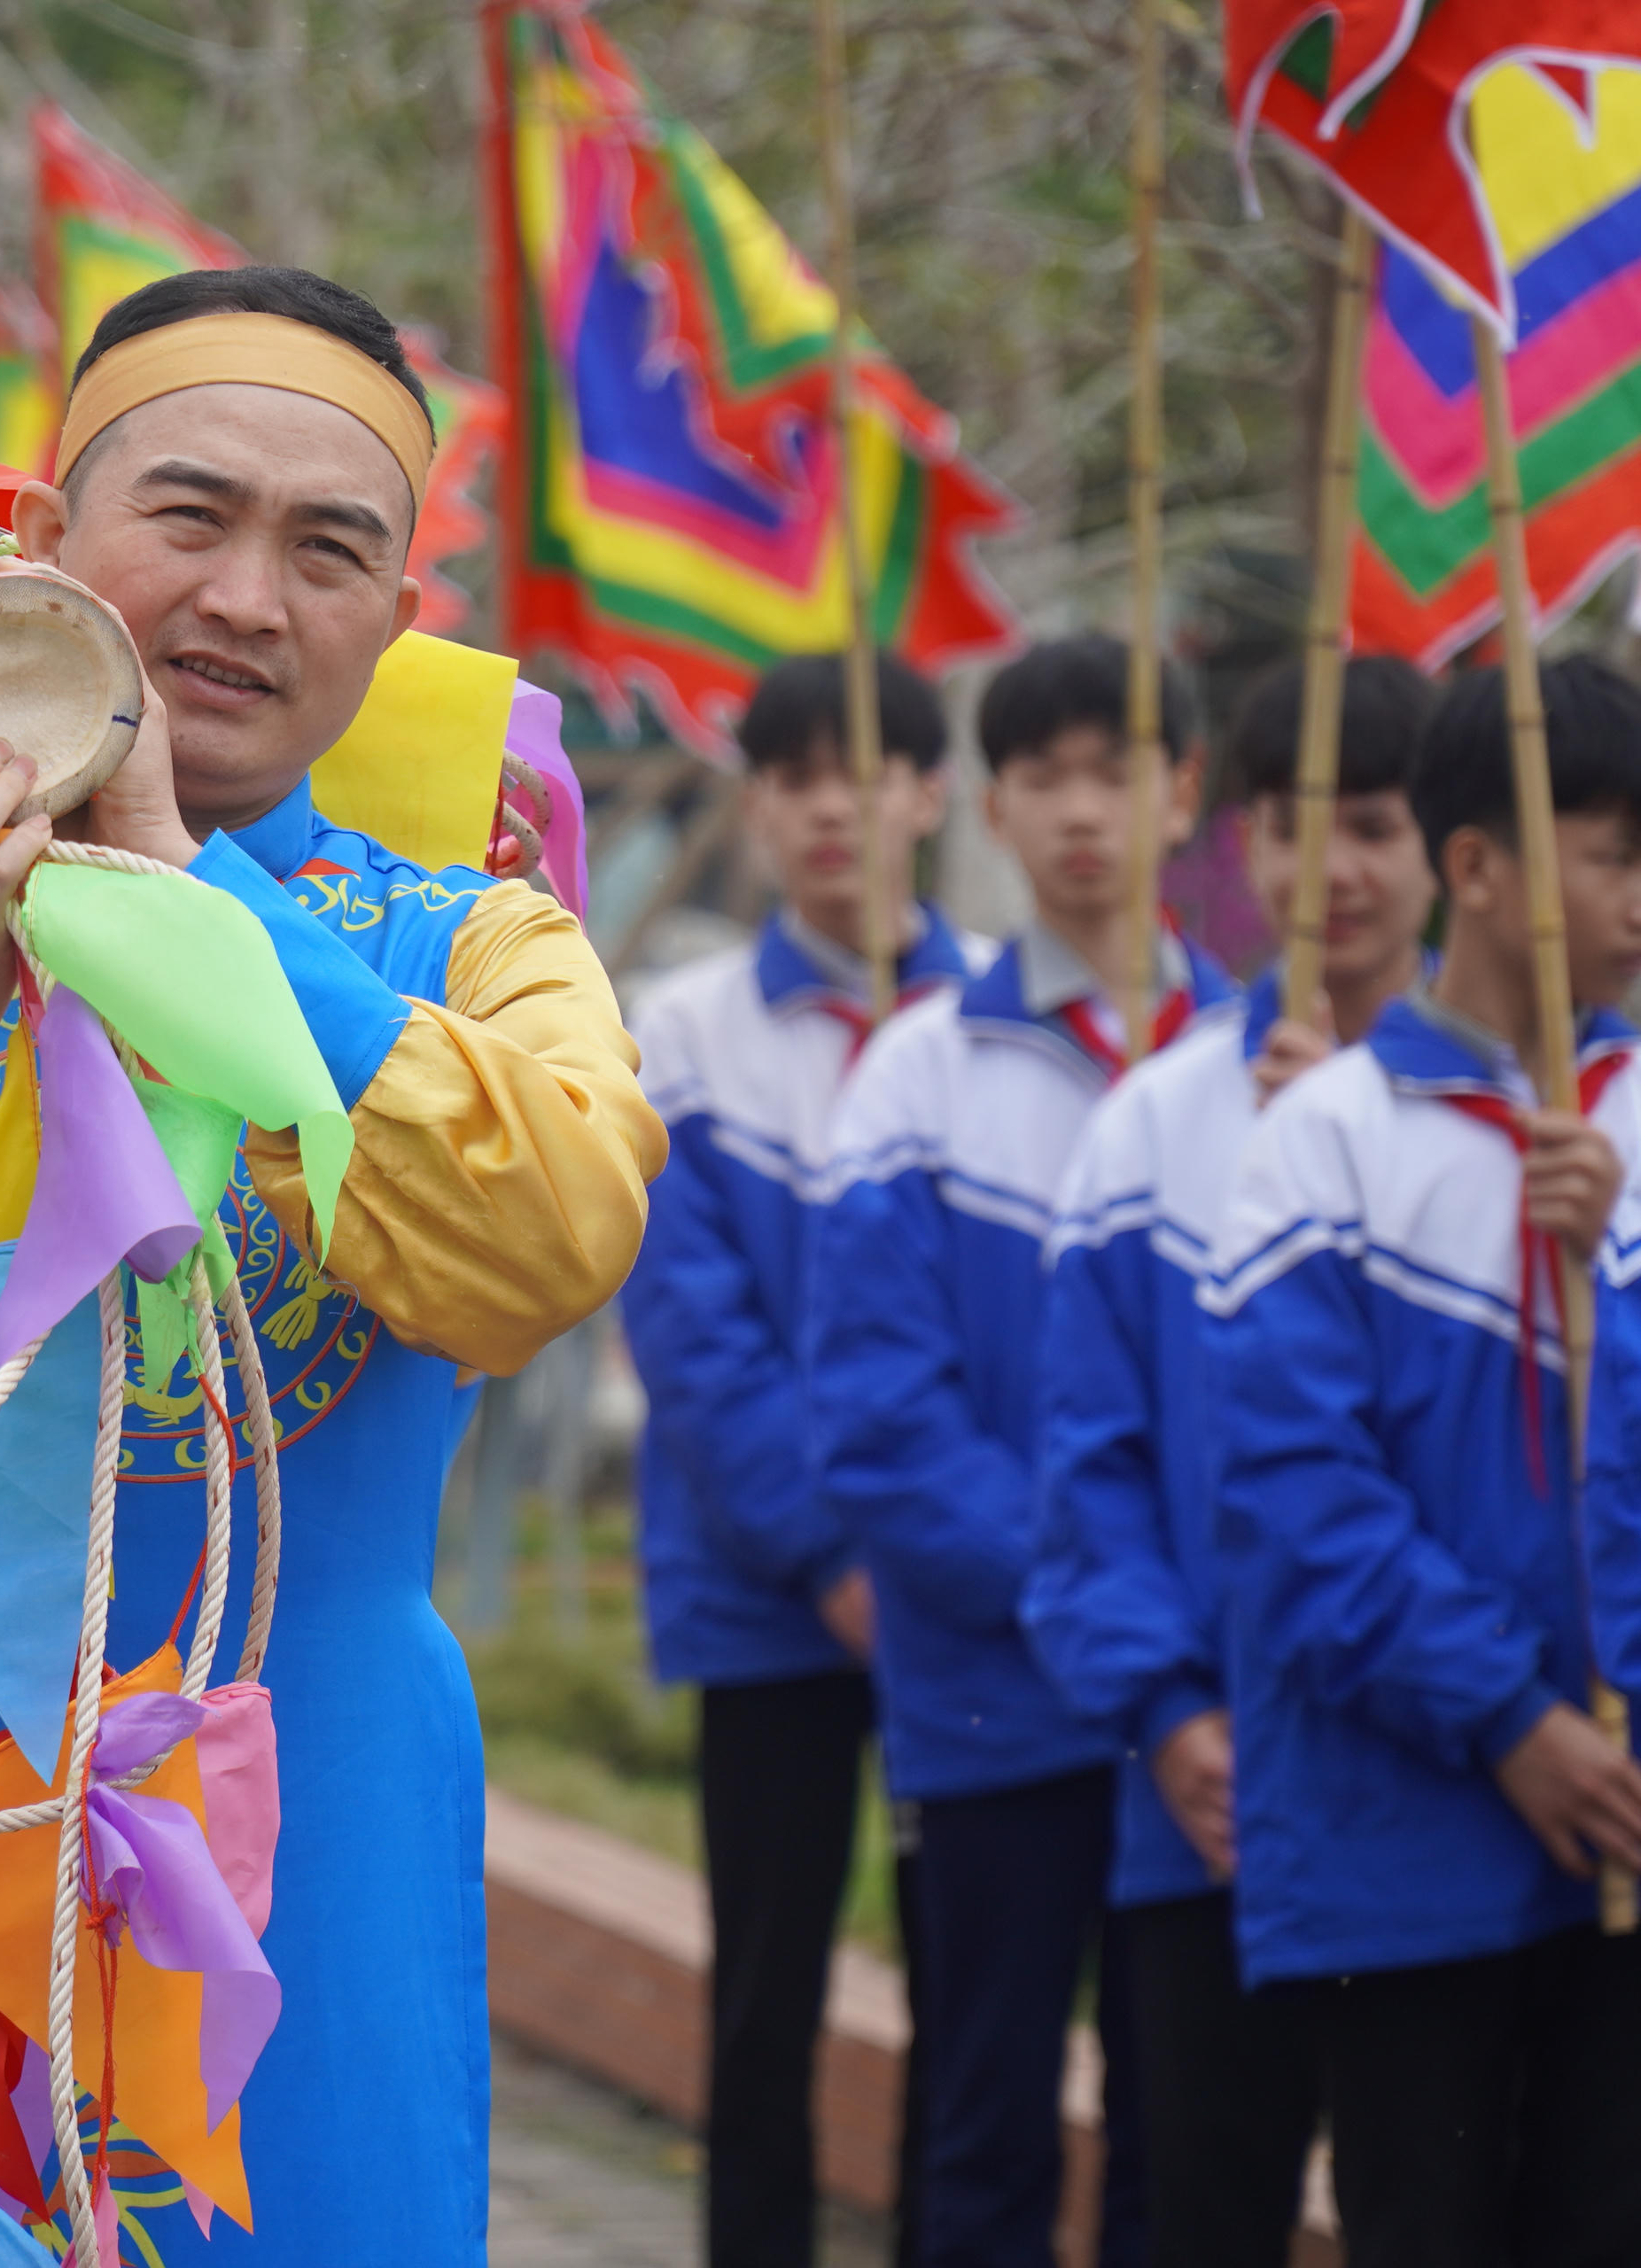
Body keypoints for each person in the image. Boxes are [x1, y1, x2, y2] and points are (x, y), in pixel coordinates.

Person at [0, 265, 663, 2267]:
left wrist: (198, 910)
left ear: (395, 619)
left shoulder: (478, 948)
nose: (250, 598)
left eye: (330, 549)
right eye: (189, 516)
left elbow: (550, 1238)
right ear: (43, 543)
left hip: (304, 1780)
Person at [1214, 656, 1641, 2267]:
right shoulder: (1327, 1141)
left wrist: (1617, 1268)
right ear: (1483, 867)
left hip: (1623, 1833)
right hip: (1408, 1843)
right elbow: (1300, 1506)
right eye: (1613, 855)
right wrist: (1516, 1722)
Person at [812, 633, 1226, 2268]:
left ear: (1185, 794)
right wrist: (1099, 1611)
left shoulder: (1262, 1069)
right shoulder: (922, 1067)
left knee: (1183, 2145)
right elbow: (880, 1416)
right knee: (980, 2132)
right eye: (1041, 776)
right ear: (991, 803)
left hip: (1204, 1717)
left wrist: (1177, 1660)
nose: (1080, 813)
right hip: (997, 1700)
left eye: (1114, 770)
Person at [1024, 657, 1436, 2266]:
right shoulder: (1152, 1124)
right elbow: (1092, 1474)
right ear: (1240, 842)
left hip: (1455, 1809)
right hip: (1208, 1807)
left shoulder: (1541, 1131)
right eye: (1290, 825)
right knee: (1198, 2209)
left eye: (1378, 827)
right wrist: (1174, 1718)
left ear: (1457, 853)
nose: (1329, 870)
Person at [627, 651, 960, 2268]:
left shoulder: (999, 1032)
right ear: (759, 806)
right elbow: (696, 1340)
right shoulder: (680, 1035)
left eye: (870, 771)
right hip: (768, 1606)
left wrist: (936, 1560)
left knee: (977, 1990)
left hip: (975, 1608)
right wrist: (834, 1559)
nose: (836, 808)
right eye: (799, 777)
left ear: (932, 794)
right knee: (768, 1993)